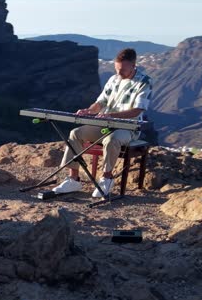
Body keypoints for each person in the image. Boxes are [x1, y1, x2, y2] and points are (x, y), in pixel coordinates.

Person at [52, 48, 152, 197]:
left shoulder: (144, 82)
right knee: (75, 133)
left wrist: (110, 115)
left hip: (129, 127)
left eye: (123, 70)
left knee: (111, 139)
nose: (119, 73)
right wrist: (89, 110)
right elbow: (101, 102)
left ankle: (107, 178)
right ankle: (73, 179)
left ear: (133, 65)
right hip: (105, 123)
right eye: (117, 69)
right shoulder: (114, 79)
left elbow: (137, 110)